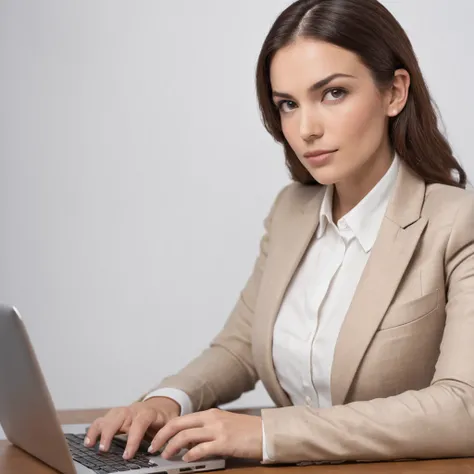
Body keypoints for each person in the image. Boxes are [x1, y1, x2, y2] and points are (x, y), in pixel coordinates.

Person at [85, 0, 474, 465]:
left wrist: (270, 434)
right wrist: (166, 401)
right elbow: (240, 347)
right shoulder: (292, 210)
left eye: (333, 93)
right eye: (288, 104)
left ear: (394, 92)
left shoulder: (456, 223)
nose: (306, 129)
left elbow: (463, 408)